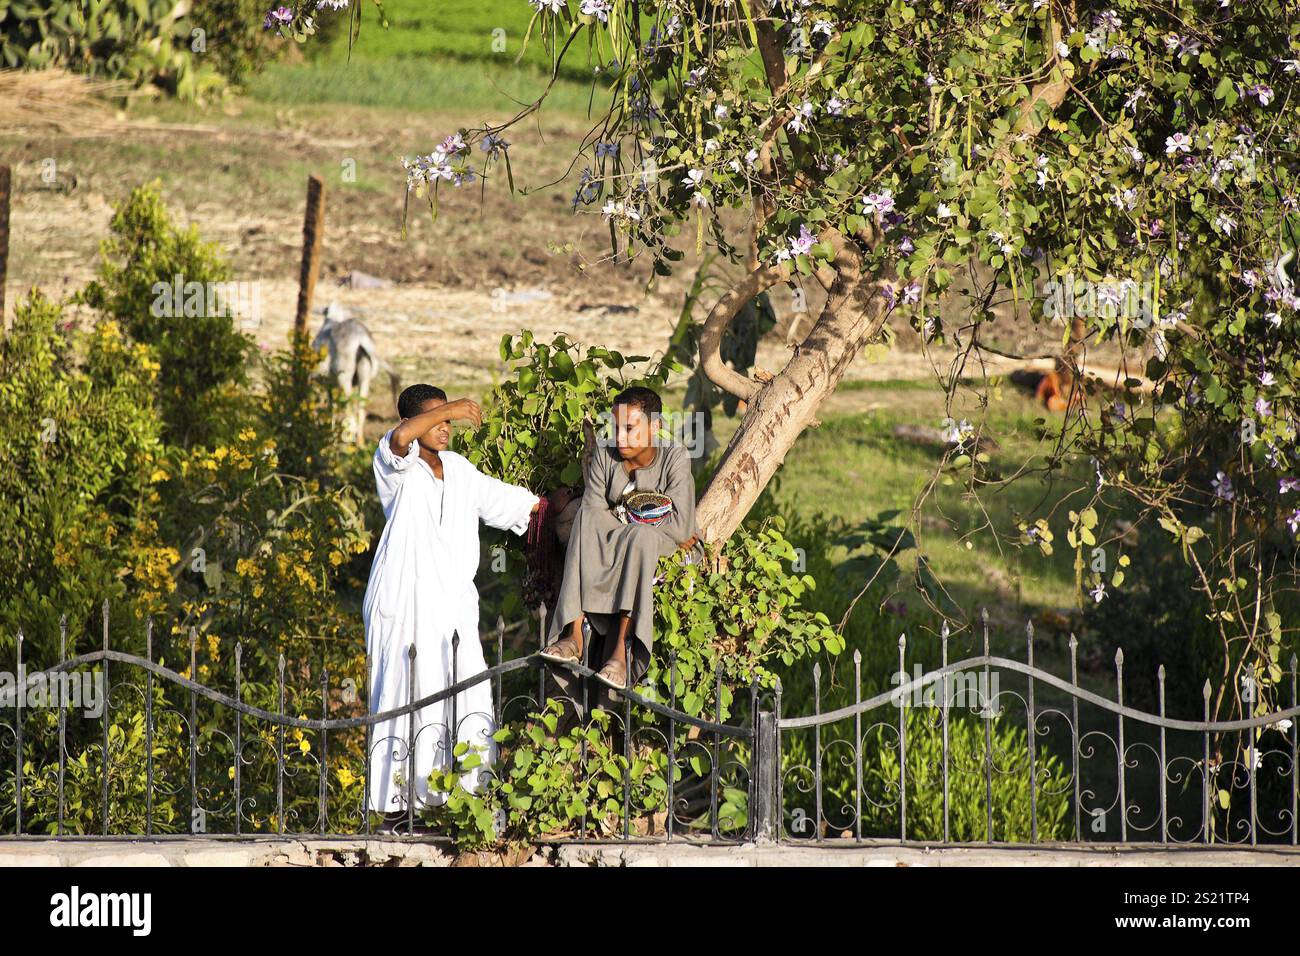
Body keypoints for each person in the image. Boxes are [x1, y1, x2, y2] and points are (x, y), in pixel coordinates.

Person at [363, 383, 540, 818]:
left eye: (448, 419)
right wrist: (458, 407)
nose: (445, 427)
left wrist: (559, 507)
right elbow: (400, 439)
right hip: (404, 600)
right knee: (405, 692)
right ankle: (397, 811)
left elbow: (508, 502)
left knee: (466, 691)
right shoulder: (395, 466)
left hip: (454, 604)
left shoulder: (459, 469)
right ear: (413, 420)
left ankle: (462, 804)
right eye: (436, 419)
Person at [540, 386, 702, 691]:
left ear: (654, 427)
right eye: (616, 427)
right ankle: (573, 634)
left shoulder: (675, 458)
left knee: (640, 537)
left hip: (663, 545)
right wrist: (632, 520)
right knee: (586, 519)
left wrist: (626, 522)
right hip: (619, 536)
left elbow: (681, 528)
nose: (620, 437)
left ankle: (620, 651)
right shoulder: (605, 455)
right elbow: (592, 509)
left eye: (629, 428)